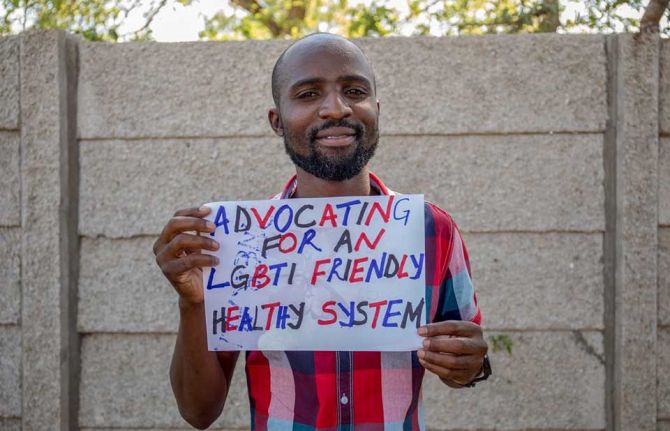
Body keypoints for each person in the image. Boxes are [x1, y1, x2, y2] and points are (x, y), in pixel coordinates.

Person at [153, 32, 489, 430]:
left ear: (376, 109)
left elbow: (468, 357)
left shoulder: (433, 230)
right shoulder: (237, 245)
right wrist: (192, 303)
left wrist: (467, 365)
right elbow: (198, 412)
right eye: (309, 94)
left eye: (354, 90)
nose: (335, 108)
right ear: (277, 121)